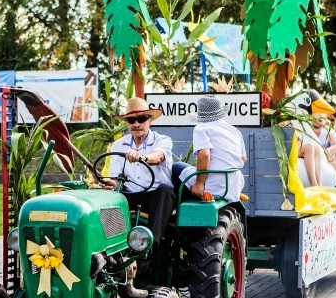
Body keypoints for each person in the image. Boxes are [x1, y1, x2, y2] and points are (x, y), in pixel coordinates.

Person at [102, 97, 175, 247]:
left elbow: (159, 156)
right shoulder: (118, 145)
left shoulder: (162, 140)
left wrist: (142, 157)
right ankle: (110, 246)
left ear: (150, 120)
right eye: (131, 120)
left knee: (165, 190)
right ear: (127, 123)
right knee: (107, 196)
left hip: (155, 196)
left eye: (141, 119)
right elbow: (115, 179)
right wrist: (111, 183)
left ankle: (149, 247)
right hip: (130, 195)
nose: (136, 124)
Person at [178, 95, 247, 201]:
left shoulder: (202, 128)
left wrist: (199, 183)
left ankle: (171, 214)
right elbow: (243, 159)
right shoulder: (234, 130)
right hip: (233, 185)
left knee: (176, 168)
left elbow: (204, 155)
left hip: (214, 184)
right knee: (184, 167)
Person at [314, 113, 336, 188]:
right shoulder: (306, 130)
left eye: (320, 120)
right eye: (313, 120)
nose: (317, 123)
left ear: (325, 123)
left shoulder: (328, 131)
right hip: (314, 158)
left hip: (328, 157)